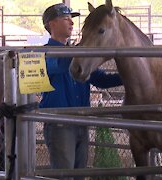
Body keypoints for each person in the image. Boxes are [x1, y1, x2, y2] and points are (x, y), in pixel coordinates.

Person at [40, 3, 123, 180]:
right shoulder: (44, 54)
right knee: (65, 175)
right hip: (59, 123)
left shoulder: (79, 56)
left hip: (81, 122)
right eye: (65, 18)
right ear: (51, 24)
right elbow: (58, 66)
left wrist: (127, 75)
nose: (71, 22)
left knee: (78, 175)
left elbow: (101, 80)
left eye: (72, 18)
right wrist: (81, 49)